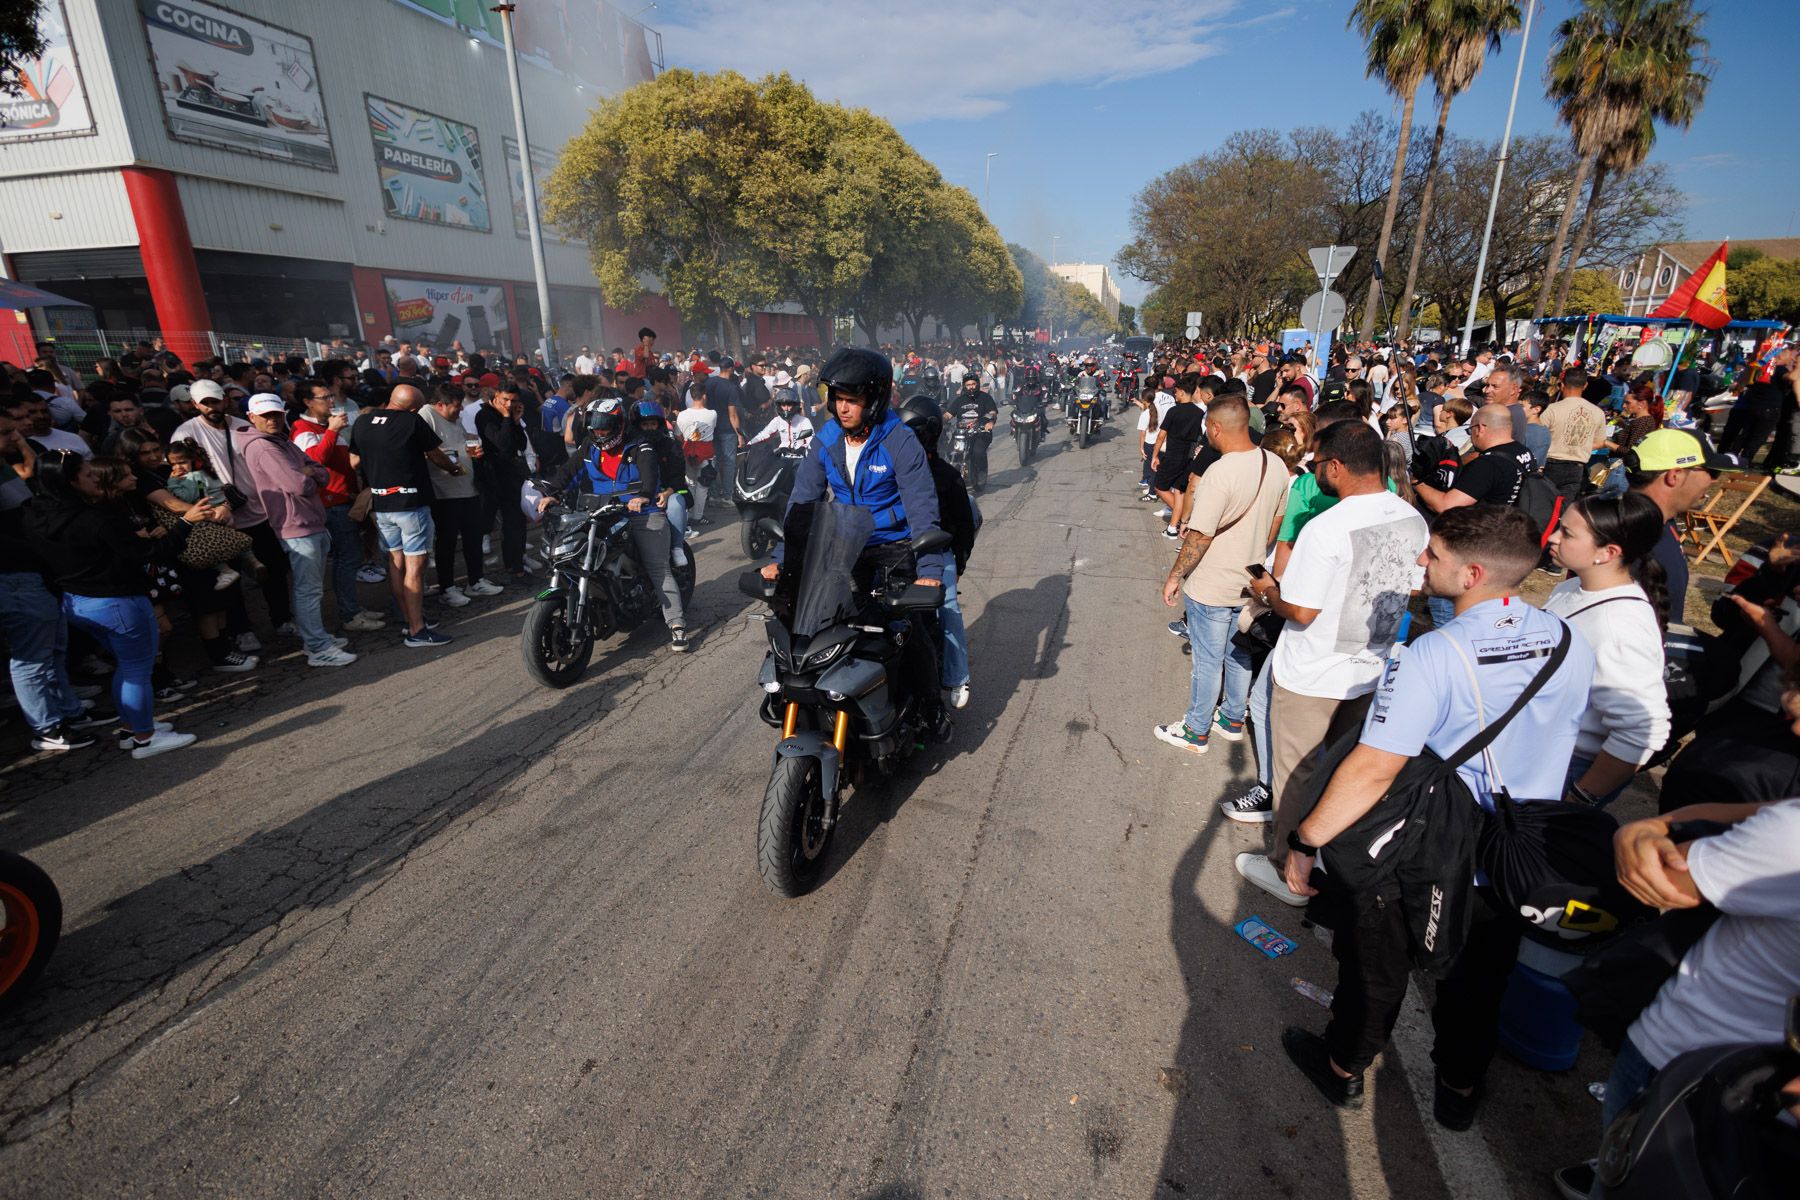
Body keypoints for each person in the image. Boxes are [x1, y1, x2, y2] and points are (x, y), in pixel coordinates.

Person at [1279, 505, 1594, 1129]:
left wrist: (1305, 838)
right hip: (1519, 850)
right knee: (1479, 982)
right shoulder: (1566, 640)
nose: (1421, 562)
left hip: (1432, 846)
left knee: (1377, 967)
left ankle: (1343, 1069)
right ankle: (1458, 1089)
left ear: (1473, 573)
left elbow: (1374, 768)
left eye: (1436, 555)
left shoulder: (1432, 654)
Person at [1552, 794, 1800, 1198]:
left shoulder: (1792, 835)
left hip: (1688, 1061)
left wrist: (1648, 829)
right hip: (1758, 1088)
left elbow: (1668, 880)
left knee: (1632, 1178)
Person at [1234, 421, 1428, 898]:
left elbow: (1301, 609)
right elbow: (1413, 588)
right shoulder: (1411, 518)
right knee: (1344, 768)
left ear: (1336, 467)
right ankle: (1329, 852)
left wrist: (1266, 591)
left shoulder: (1327, 527)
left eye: (1317, 463)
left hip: (1314, 672)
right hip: (1371, 665)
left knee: (1297, 771)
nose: (1313, 470)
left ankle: (1287, 869)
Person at [758, 348, 948, 730]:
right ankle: (789, 689)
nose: (842, 409)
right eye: (838, 399)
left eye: (853, 400)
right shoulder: (826, 439)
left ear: (874, 401)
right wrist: (783, 556)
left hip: (894, 548)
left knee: (905, 630)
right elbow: (802, 503)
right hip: (844, 543)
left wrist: (928, 568)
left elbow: (923, 507)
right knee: (809, 617)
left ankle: (931, 704)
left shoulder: (899, 440)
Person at [25, 450, 198, 759]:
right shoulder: (94, 519)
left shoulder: (36, 514)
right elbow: (148, 553)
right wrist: (186, 522)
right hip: (116, 602)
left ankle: (133, 728)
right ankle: (145, 737)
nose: (96, 479)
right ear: (70, 481)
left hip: (77, 602)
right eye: (89, 475)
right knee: (137, 670)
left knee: (127, 664)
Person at [1154, 395, 1287, 756]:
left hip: (1212, 584)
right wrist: (1251, 549)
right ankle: (1231, 718)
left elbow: (1200, 535)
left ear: (1215, 428)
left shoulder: (1220, 472)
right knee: (1239, 653)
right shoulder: (1273, 465)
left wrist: (1175, 576)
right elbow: (1275, 524)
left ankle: (1196, 730)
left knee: (1207, 661)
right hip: (1249, 582)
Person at [1542, 492, 1672, 807]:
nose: (1553, 538)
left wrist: (1579, 798)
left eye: (1567, 534)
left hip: (1566, 771)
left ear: (1608, 552)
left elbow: (1643, 730)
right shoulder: (1574, 586)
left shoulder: (1618, 626)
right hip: (1543, 753)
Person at [542, 397, 688, 651]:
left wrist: (643, 495)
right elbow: (569, 470)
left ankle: (676, 624)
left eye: (605, 427)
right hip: (600, 511)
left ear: (619, 424)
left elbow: (650, 474)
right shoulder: (589, 446)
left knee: (657, 567)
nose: (599, 432)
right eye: (595, 428)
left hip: (641, 511)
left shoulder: (640, 445)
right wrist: (552, 492)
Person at [236, 395, 356, 668]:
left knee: (310, 588)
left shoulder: (280, 441)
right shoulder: (264, 447)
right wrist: (309, 475)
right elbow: (300, 485)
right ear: (251, 417)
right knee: (308, 590)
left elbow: (319, 472)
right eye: (266, 415)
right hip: (296, 524)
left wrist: (309, 473)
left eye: (277, 414)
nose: (273, 419)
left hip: (308, 520)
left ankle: (317, 638)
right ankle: (317, 647)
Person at [348, 383, 459, 648]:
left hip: (382, 503)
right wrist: (453, 469)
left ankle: (410, 618)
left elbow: (353, 462)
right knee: (415, 567)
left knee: (396, 563)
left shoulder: (362, 422)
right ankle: (417, 629)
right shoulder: (412, 421)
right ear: (412, 407)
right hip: (411, 503)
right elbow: (436, 456)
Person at [899, 396, 978, 709]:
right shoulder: (888, 471)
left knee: (948, 609)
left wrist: (958, 561)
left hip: (937, 556)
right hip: (893, 554)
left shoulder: (947, 475)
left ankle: (958, 677)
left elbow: (963, 525)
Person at [1625, 428, 1740, 626]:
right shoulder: (1630, 539)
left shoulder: (1664, 522)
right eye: (1712, 471)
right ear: (1675, 475)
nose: (1714, 481)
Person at [421, 381, 501, 608]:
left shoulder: (454, 420)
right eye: (456, 406)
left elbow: (465, 441)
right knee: (446, 543)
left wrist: (473, 449)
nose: (461, 410)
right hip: (444, 491)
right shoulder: (426, 416)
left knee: (473, 537)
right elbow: (426, 450)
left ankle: (476, 580)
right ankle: (447, 587)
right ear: (439, 404)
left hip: (468, 486)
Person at [1416, 404, 1533, 513]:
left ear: (1480, 428)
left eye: (1470, 430)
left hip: (1483, 529)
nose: (1470, 436)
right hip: (1510, 523)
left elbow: (1446, 506)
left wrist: (1417, 483)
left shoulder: (1487, 464)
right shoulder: (1524, 452)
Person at [1152, 375, 1207, 539]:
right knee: (1179, 491)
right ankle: (1172, 527)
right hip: (1189, 456)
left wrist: (1155, 455)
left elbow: (1161, 435)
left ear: (1182, 392)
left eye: (1176, 392)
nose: (1174, 395)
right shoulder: (1199, 413)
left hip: (1173, 455)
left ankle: (1185, 517)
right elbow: (1199, 436)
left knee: (1160, 487)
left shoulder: (1174, 411)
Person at [1541, 367, 1606, 504]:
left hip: (1551, 465)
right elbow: (1601, 442)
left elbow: (1539, 437)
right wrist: (1582, 445)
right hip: (1576, 468)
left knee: (1543, 505)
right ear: (1585, 385)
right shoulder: (1597, 412)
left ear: (1562, 384)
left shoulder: (1552, 409)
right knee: (1562, 508)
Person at [675, 383, 717, 525]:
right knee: (703, 486)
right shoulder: (712, 414)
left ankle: (690, 514)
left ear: (691, 396)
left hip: (687, 451)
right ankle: (698, 516)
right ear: (704, 395)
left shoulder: (682, 415)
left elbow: (678, 435)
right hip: (706, 453)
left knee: (691, 484)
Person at [747, 386, 814, 449]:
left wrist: (803, 448)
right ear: (779, 406)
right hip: (782, 456)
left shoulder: (804, 421)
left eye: (789, 404)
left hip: (800, 457)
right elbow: (764, 434)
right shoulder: (777, 420)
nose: (786, 408)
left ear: (794, 405)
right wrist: (750, 443)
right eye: (783, 405)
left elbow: (811, 440)